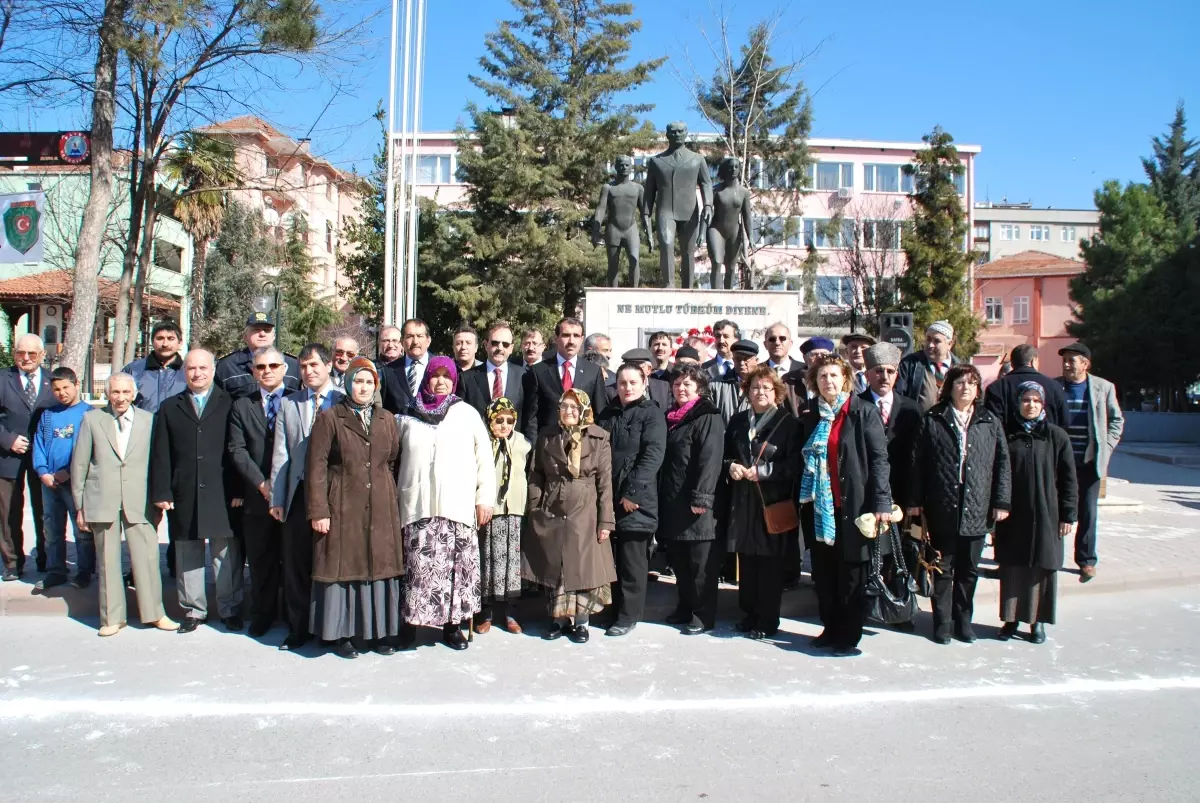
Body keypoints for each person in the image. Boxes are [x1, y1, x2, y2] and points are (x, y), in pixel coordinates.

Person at [306, 357, 405, 658]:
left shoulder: (386, 419)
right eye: (358, 381)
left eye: (369, 382)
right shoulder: (330, 418)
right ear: (348, 384)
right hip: (342, 503)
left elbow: (392, 459)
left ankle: (381, 633)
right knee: (343, 567)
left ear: (376, 386)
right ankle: (343, 635)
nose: (363, 387)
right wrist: (319, 510)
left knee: (380, 566)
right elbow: (316, 467)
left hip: (381, 505)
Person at [796, 354, 892, 656]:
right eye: (822, 376)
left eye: (834, 375)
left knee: (851, 575)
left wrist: (881, 501)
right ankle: (830, 628)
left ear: (846, 379)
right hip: (820, 508)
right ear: (815, 382)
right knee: (824, 573)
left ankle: (848, 637)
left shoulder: (862, 412)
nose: (829, 381)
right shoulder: (812, 415)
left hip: (854, 507)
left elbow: (879, 460)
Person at [908, 364, 1011, 645]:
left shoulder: (988, 420)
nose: (966, 388)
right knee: (942, 568)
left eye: (972, 383)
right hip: (943, 505)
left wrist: (1001, 501)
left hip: (977, 506)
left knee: (969, 571)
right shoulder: (934, 418)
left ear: (978, 389)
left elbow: (1002, 463)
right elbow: (918, 462)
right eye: (960, 382)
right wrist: (915, 500)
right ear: (949, 387)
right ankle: (942, 623)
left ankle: (963, 622)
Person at [396, 357, 494, 650]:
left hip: (456, 507)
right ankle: (410, 625)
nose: (440, 381)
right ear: (426, 378)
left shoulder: (467, 414)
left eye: (446, 376)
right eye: (434, 375)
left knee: (454, 570)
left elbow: (484, 459)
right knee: (416, 568)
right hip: (418, 506)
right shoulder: (407, 415)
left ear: (454, 381)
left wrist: (484, 499)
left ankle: (452, 628)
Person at [69, 374, 177, 636]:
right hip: (101, 498)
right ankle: (112, 618)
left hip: (139, 499)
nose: (120, 398)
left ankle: (155, 613)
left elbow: (159, 462)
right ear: (107, 394)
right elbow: (80, 463)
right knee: (107, 561)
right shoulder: (92, 419)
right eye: (115, 392)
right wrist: (80, 505)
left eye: (126, 392)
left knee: (147, 559)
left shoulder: (149, 420)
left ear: (134, 394)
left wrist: (159, 498)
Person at [151, 349, 243, 633]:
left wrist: (239, 489)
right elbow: (161, 453)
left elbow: (238, 451)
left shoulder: (231, 404)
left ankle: (229, 608)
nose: (197, 373)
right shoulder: (170, 407)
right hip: (185, 491)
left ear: (213, 370)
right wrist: (162, 491)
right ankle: (193, 610)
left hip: (222, 490)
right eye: (192, 368)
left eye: (203, 368)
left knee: (225, 553)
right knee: (187, 551)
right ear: (184, 372)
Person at [523, 388, 616, 643]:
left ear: (584, 409)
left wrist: (605, 521)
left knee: (582, 567)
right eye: (564, 406)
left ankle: (582, 623)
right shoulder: (547, 435)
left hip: (585, 512)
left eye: (574, 407)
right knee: (558, 567)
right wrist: (535, 506)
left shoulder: (599, 438)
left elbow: (605, 483)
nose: (568, 411)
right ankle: (559, 619)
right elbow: (536, 474)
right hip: (552, 508)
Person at [268, 343, 343, 651]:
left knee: (331, 562)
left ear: (328, 366)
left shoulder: (344, 400)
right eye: (303, 366)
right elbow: (281, 454)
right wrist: (277, 498)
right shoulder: (290, 404)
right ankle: (298, 628)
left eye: (314, 365)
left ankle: (331, 627)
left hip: (335, 494)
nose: (309, 371)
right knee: (297, 562)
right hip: (299, 492)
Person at [995, 382, 1078, 645]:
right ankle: (1011, 619)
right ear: (1017, 403)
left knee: (1042, 567)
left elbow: (1068, 479)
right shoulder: (1006, 434)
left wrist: (1068, 514)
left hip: (1046, 513)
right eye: (1026, 400)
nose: (1031, 405)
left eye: (1036, 400)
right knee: (1013, 567)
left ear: (1043, 404)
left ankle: (1037, 622)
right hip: (1013, 513)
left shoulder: (1056, 436)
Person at [722, 366, 799, 640]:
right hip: (743, 502)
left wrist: (765, 472)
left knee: (769, 565)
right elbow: (726, 455)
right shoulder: (738, 421)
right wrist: (731, 466)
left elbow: (795, 464)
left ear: (776, 392)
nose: (760, 392)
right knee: (747, 561)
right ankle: (749, 614)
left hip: (771, 503)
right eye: (755, 387)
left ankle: (767, 619)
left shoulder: (788, 424)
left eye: (766, 387)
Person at [596, 364, 666, 636]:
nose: (627, 388)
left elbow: (652, 454)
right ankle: (613, 610)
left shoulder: (651, 413)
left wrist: (631, 493)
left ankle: (628, 616)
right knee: (613, 560)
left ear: (644, 382)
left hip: (636, 501)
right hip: (609, 497)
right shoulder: (609, 412)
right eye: (622, 383)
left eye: (633, 382)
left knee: (632, 562)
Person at [657, 364, 725, 634]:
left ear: (699, 388)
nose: (681, 388)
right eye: (677, 384)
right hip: (674, 501)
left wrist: (702, 497)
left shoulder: (708, 416)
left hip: (697, 504)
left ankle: (702, 615)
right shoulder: (670, 417)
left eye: (687, 384)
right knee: (681, 562)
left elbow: (710, 460)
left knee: (700, 564)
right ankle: (685, 607)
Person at [860, 343, 923, 631]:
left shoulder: (911, 408)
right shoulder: (856, 405)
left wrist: (914, 497)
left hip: (901, 492)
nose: (884, 376)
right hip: (866, 492)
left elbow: (918, 457)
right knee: (869, 551)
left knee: (900, 552)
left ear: (897, 374)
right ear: (867, 374)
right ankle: (868, 606)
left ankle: (900, 609)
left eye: (889, 371)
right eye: (878, 371)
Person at [227, 346, 288, 637]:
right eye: (261, 367)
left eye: (273, 365)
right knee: (260, 558)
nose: (267, 371)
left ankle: (293, 615)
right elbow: (237, 450)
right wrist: (262, 484)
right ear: (253, 371)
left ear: (284, 369)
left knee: (292, 558)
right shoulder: (242, 405)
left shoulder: (297, 400)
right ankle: (263, 613)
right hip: (256, 495)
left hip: (292, 495)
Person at [1056, 342, 1123, 582]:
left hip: (1089, 461)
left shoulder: (1103, 388)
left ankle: (1086, 560)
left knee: (1088, 512)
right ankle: (1052, 557)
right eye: (1064, 360)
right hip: (1060, 463)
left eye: (1072, 360)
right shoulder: (1054, 386)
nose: (1066, 364)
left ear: (1085, 364)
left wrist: (1106, 447)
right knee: (1056, 510)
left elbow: (1116, 421)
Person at [0, 333, 55, 580]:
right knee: (8, 511)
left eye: (32, 353)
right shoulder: (2, 379)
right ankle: (12, 563)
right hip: (7, 456)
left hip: (43, 458)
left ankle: (46, 559)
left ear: (42, 355)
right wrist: (7, 439)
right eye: (21, 353)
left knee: (45, 509)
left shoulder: (53, 382)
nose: (26, 358)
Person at [32, 367, 92, 590]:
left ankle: (85, 571)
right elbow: (39, 444)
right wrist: (42, 471)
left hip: (76, 482)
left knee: (82, 529)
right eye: (56, 389)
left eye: (66, 387)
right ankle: (56, 570)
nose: (62, 393)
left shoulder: (89, 414)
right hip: (50, 483)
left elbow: (89, 449)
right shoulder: (48, 415)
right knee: (52, 528)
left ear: (76, 384)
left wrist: (68, 471)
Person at [475, 398, 530, 636]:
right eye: (499, 420)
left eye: (509, 420)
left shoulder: (522, 443)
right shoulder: (482, 443)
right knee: (488, 560)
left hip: (514, 510)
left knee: (512, 563)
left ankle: (511, 613)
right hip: (491, 509)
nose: (504, 425)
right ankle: (485, 613)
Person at [521, 317, 607, 441]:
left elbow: (600, 414)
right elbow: (531, 418)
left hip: (583, 444)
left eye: (576, 336)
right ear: (556, 338)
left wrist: (596, 445)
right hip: (549, 444)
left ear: (582, 339)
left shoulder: (593, 371)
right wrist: (535, 447)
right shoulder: (538, 371)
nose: (571, 341)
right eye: (566, 335)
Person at [593, 154, 651, 287]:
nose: (624, 167)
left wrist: (649, 234)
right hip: (613, 229)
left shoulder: (638, 188)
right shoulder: (608, 188)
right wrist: (595, 230)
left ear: (631, 167)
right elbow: (601, 209)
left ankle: (634, 292)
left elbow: (645, 213)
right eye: (621, 165)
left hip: (631, 229)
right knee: (613, 264)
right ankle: (613, 293)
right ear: (615, 167)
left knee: (634, 260)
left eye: (627, 165)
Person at [214, 311, 300, 400]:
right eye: (256, 330)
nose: (262, 334)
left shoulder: (293, 365)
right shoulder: (227, 366)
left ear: (274, 336)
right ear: (245, 336)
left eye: (267, 330)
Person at [984, 344, 1068, 434]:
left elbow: (992, 424)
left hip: (1009, 440)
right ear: (1033, 361)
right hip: (1047, 440)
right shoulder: (1054, 386)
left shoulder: (996, 387)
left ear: (1012, 364)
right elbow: (1064, 421)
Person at [460, 321, 527, 420]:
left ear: (511, 348)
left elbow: (529, 416)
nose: (500, 348)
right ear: (486, 344)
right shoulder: (467, 378)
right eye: (495, 343)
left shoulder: (523, 376)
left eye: (505, 344)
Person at [124, 319, 187, 412]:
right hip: (144, 421)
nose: (165, 344)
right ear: (152, 342)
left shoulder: (189, 371)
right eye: (160, 338)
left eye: (171, 339)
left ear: (180, 343)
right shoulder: (133, 370)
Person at [896, 320, 958, 412]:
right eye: (928, 339)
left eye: (937, 341)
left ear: (949, 344)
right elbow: (899, 396)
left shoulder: (959, 368)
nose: (930, 345)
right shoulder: (910, 364)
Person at [380, 318, 437, 415]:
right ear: (402, 341)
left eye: (420, 336)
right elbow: (385, 409)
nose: (415, 341)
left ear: (428, 340)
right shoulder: (389, 371)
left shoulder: (440, 367)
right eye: (410, 336)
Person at [710, 339, 759, 423]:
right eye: (738, 359)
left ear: (756, 360)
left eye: (746, 359)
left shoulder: (764, 385)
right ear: (733, 360)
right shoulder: (716, 384)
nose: (742, 363)